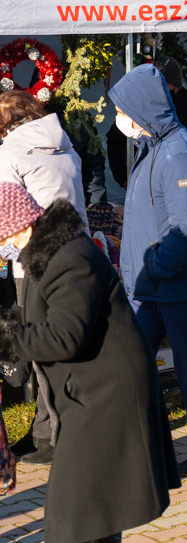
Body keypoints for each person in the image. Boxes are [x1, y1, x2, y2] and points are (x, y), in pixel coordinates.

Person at [0, 182, 180, 542]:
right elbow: (37, 316)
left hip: (109, 395)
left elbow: (66, 336)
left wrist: (6, 339)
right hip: (91, 393)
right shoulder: (46, 253)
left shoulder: (70, 259)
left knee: (76, 515)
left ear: (18, 226)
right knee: (93, 509)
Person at [108, 63, 187, 477]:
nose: (119, 119)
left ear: (143, 109)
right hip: (154, 287)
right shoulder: (157, 146)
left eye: (124, 110)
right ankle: (143, 444)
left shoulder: (178, 154)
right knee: (132, 366)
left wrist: (155, 269)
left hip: (173, 286)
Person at [0, 90, 90, 465]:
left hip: (34, 262)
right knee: (66, 344)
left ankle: (49, 437)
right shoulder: (65, 145)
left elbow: (7, 212)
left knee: (42, 349)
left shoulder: (10, 153)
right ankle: (48, 430)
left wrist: (7, 252)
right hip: (75, 255)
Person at [106, 57, 187, 190]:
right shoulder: (144, 106)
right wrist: (123, 178)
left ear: (174, 85)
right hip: (147, 190)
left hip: (185, 188)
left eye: (161, 85)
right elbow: (114, 138)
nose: (156, 92)